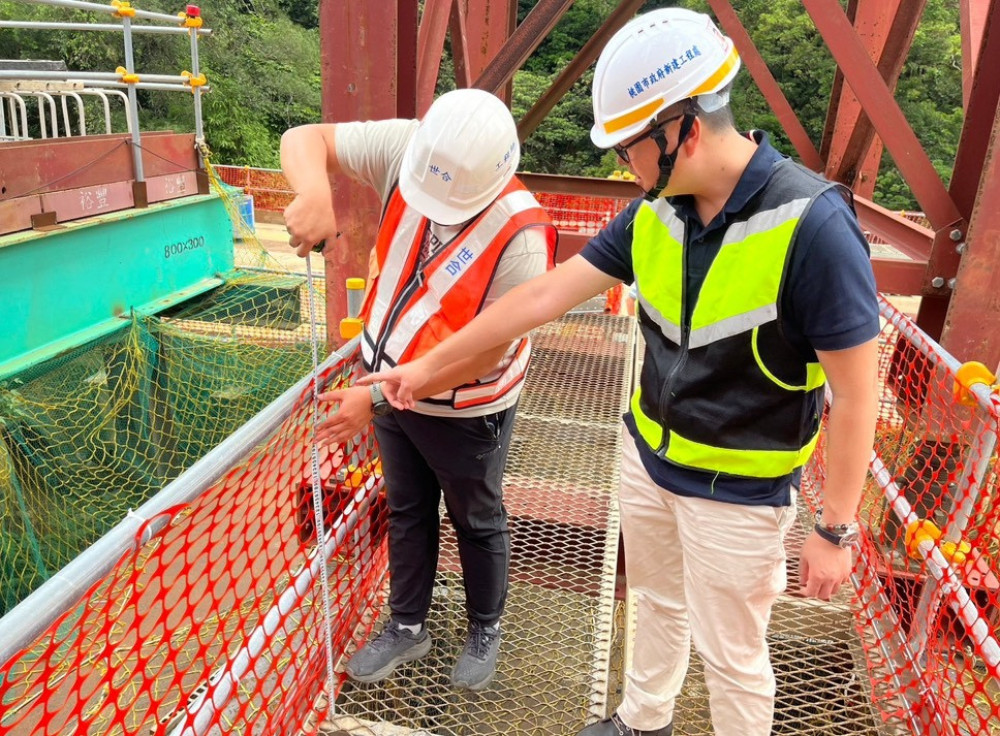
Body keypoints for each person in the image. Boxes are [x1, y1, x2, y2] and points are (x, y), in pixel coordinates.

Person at [359, 8, 879, 736]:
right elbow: (542, 295)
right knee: (656, 604)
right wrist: (422, 368)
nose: (624, 166)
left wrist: (837, 529)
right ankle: (643, 720)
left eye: (631, 147)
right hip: (649, 460)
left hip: (741, 493)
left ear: (684, 131)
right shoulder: (655, 214)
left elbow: (858, 393)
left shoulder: (812, 226)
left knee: (732, 654)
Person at [279, 88, 556, 692]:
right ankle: (407, 624)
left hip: (465, 406)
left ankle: (485, 623)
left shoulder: (522, 240)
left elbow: (486, 353)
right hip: (385, 384)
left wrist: (376, 397)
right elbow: (306, 137)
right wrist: (314, 192)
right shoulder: (417, 148)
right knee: (407, 508)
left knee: (476, 516)